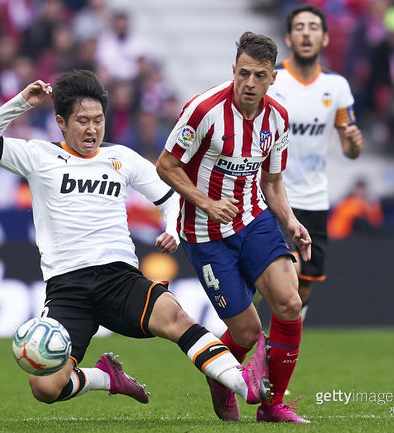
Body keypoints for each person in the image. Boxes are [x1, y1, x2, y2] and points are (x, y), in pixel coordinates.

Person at [0, 70, 270, 408]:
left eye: (98, 120)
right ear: (61, 122)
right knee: (45, 387)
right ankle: (106, 377)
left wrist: (172, 228)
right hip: (67, 289)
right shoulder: (38, 156)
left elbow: (171, 197)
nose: (92, 129)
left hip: (118, 278)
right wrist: (21, 103)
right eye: (82, 121)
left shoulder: (122, 158)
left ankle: (243, 382)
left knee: (175, 317)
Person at [156, 33, 311, 423]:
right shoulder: (203, 110)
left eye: (259, 75)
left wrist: (291, 221)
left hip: (253, 219)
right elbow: (166, 165)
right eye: (243, 73)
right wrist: (207, 203)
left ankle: (272, 406)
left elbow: (272, 182)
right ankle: (221, 376)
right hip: (204, 233)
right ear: (233, 70)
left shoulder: (278, 118)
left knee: (290, 303)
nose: (249, 83)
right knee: (246, 333)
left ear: (272, 77)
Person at [267, 4, 364, 321]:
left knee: (304, 286)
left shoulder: (337, 87)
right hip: (273, 196)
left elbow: (350, 151)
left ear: (325, 38)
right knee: (285, 271)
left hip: (314, 199)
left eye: (313, 28)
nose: (306, 33)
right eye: (299, 28)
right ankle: (250, 333)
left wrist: (354, 142)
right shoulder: (273, 81)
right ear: (288, 38)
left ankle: (278, 344)